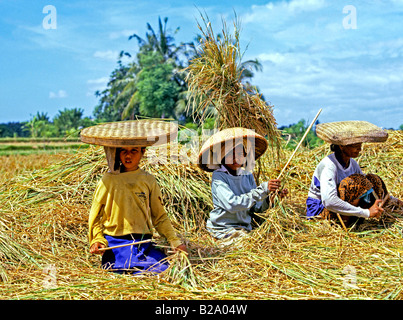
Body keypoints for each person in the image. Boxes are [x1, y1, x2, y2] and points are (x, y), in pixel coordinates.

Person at [88, 146, 187, 273]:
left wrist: (174, 241)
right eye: (124, 151)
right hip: (115, 244)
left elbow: (159, 216)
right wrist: (97, 239)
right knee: (121, 272)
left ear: (143, 152)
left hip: (143, 243)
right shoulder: (108, 180)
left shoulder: (148, 180)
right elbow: (95, 215)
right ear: (118, 153)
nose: (128, 155)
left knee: (164, 271)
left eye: (134, 150)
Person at [197, 127, 287, 241]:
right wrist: (262, 190)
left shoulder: (247, 175)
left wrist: (271, 198)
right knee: (247, 245)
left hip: (244, 229)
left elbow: (256, 208)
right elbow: (232, 204)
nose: (236, 157)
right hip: (223, 229)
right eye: (231, 153)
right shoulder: (219, 177)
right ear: (223, 156)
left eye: (240, 153)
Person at [306, 120, 402, 227]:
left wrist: (393, 200)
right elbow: (329, 201)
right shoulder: (329, 165)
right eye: (355, 145)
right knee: (354, 183)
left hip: (341, 207)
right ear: (342, 146)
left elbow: (366, 186)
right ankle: (344, 225)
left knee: (372, 179)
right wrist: (366, 213)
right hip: (321, 210)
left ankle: (354, 220)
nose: (359, 149)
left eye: (360, 144)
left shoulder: (352, 163)